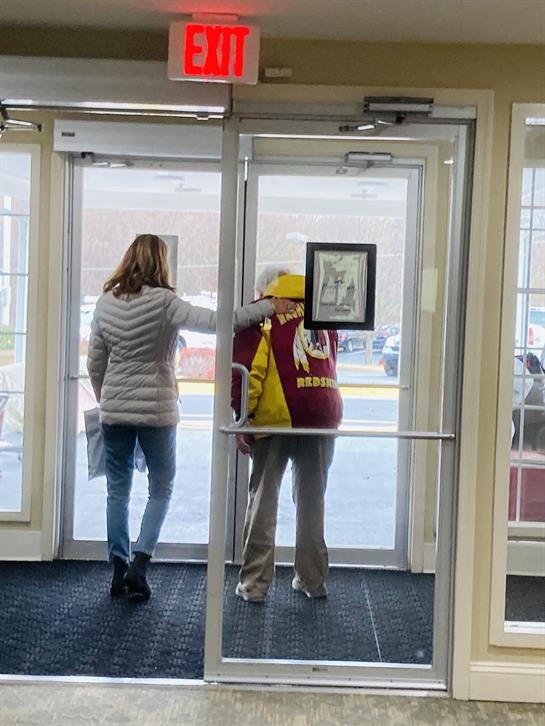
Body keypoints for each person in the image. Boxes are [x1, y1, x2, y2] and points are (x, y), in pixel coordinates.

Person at [86, 234, 296, 600]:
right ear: (161, 263)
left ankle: (118, 568)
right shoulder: (165, 303)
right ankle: (140, 564)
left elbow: (94, 364)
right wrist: (267, 307)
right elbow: (221, 322)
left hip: (114, 412)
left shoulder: (105, 304)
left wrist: (108, 400)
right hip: (157, 412)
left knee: (117, 491)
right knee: (160, 488)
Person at [231, 272, 343, 603]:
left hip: (278, 416)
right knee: (312, 500)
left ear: (264, 289)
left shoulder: (264, 315)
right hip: (322, 414)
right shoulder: (321, 314)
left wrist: (242, 418)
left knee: (263, 501)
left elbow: (248, 371)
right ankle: (312, 580)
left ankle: (254, 584)